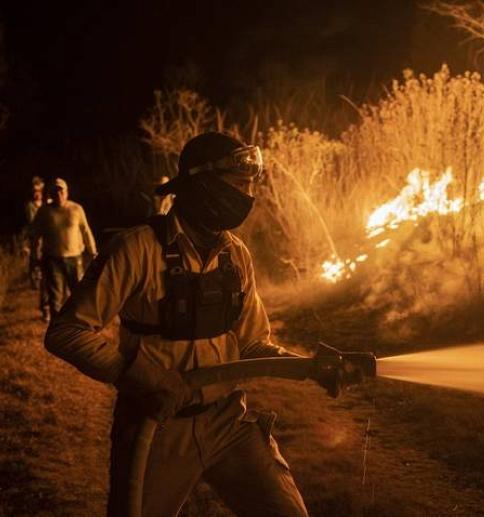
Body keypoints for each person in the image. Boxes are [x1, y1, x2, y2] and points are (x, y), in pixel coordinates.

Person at [44, 132, 308, 516]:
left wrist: (307, 365)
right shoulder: (136, 249)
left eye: (251, 184)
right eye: (237, 184)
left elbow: (251, 345)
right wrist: (142, 376)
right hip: (157, 429)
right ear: (201, 184)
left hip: (228, 422)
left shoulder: (236, 255)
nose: (247, 195)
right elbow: (66, 332)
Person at [29, 177, 98, 320]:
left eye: (61, 191)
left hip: (74, 257)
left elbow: (85, 231)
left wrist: (93, 252)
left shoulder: (76, 209)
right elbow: (35, 235)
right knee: (56, 296)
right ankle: (58, 328)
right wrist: (35, 256)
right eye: (55, 191)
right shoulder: (44, 212)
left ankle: (80, 325)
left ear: (66, 192)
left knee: (78, 293)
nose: (58, 194)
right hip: (52, 259)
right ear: (50, 194)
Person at [23, 176, 46, 294]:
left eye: (39, 191)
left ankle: (42, 278)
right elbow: (32, 221)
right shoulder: (30, 206)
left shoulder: (46, 204)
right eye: (34, 192)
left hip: (46, 235)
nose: (36, 194)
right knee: (35, 257)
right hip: (35, 235)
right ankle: (35, 279)